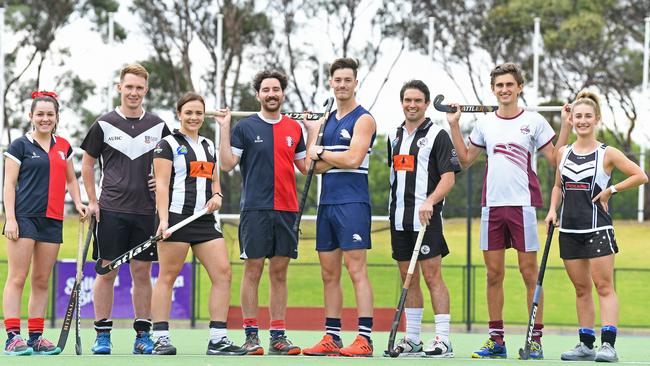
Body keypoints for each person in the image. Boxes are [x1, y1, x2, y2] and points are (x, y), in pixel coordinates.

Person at [446, 62, 569, 359]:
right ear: (493, 89)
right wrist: (452, 125)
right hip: (492, 207)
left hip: (523, 206)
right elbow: (464, 160)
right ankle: (496, 340)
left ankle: (534, 339)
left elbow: (556, 159)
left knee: (529, 274)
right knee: (493, 275)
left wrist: (565, 125)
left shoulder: (535, 121)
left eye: (509, 85)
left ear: (519, 87)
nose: (504, 90)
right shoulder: (485, 123)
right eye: (499, 86)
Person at [545, 91, 648, 363]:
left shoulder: (608, 153)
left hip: (598, 230)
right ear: (572, 118)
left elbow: (641, 175)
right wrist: (552, 210)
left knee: (603, 286)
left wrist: (611, 190)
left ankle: (608, 346)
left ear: (597, 119)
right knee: (581, 289)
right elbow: (557, 186)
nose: (582, 120)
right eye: (578, 116)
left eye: (587, 116)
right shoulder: (563, 153)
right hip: (568, 231)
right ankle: (586, 343)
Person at [217, 70, 309, 356]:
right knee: (253, 270)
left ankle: (278, 337)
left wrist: (314, 131)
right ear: (258, 94)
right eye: (266, 90)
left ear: (282, 94)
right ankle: (251, 336)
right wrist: (223, 127)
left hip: (287, 210)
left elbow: (307, 167)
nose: (271, 94)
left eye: (276, 89)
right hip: (255, 210)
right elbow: (226, 164)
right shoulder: (245, 127)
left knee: (279, 273)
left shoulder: (294, 129)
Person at [81, 63, 170, 355]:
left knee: (142, 274)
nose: (133, 92)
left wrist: (161, 181)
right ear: (120, 87)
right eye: (129, 87)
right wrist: (93, 201)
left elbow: (170, 163)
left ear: (146, 90)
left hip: (145, 212)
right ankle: (103, 335)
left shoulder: (158, 126)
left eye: (139, 88)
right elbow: (87, 162)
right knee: (106, 273)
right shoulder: (104, 124)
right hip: (111, 211)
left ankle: (142, 335)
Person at [150, 92, 246, 356]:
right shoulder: (166, 144)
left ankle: (218, 339)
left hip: (203, 220)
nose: (194, 118)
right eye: (189, 112)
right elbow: (161, 184)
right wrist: (164, 220)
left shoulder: (208, 145)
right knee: (167, 277)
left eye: (199, 113)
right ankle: (160, 337)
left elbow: (214, 181)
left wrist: (217, 195)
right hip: (176, 219)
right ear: (179, 114)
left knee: (223, 273)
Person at [3, 91, 88, 355]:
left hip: (53, 220)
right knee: (18, 277)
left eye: (50, 114)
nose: (45, 118)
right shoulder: (19, 146)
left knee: (41, 280)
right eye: (40, 114)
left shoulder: (64, 146)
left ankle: (36, 337)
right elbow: (9, 184)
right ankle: (12, 336)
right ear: (31, 116)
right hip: (25, 218)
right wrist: (11, 219)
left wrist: (78, 202)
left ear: (57, 117)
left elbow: (72, 180)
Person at [303, 58, 377, 357]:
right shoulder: (324, 121)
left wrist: (322, 153)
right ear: (331, 83)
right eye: (338, 80)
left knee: (356, 269)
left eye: (348, 80)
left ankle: (365, 338)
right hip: (327, 204)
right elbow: (311, 166)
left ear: (355, 83)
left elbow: (353, 159)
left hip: (353, 202)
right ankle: (332, 336)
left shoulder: (364, 119)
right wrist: (317, 146)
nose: (342, 84)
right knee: (328, 273)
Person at [386, 80, 460, 357]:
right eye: (408, 100)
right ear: (402, 102)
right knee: (409, 278)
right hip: (399, 221)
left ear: (426, 104)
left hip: (426, 221)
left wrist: (430, 200)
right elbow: (396, 179)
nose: (412, 105)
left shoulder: (438, 135)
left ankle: (443, 339)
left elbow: (449, 178)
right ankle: (413, 339)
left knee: (432, 277)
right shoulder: (394, 137)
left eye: (418, 100)